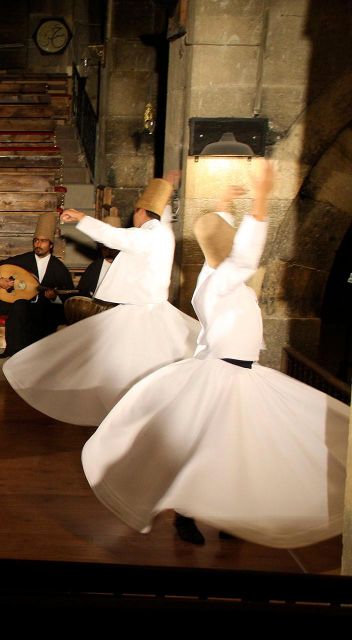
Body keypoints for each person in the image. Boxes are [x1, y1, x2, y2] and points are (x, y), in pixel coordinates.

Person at [81, 160, 349, 548]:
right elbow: (242, 255)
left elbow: (223, 243)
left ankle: (227, 515)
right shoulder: (223, 278)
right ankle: (187, 515)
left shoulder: (212, 275)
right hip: (222, 375)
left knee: (233, 447)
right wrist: (260, 199)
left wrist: (223, 202)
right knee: (206, 445)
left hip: (240, 374)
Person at [3, 176, 200, 426]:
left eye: (135, 214)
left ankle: (133, 415)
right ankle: (143, 414)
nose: (133, 220)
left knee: (123, 366)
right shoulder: (165, 233)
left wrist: (81, 218)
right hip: (156, 312)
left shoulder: (148, 236)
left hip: (140, 314)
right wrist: (167, 188)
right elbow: (160, 219)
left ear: (141, 212)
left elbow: (114, 237)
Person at [0, 213, 74, 357]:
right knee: (19, 305)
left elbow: (68, 297)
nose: (38, 244)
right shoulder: (25, 259)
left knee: (47, 311)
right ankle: (13, 351)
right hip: (25, 304)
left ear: (50, 245)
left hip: (46, 308)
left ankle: (38, 354)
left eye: (43, 241)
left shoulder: (59, 268)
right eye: (36, 241)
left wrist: (54, 298)